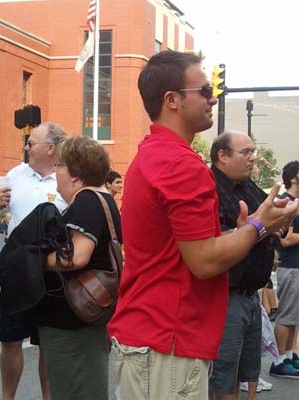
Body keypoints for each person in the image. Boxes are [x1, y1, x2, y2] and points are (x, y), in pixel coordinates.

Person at [107, 50, 298, 400]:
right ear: (172, 100)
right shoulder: (181, 164)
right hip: (168, 342)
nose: (214, 98)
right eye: (205, 91)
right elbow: (204, 261)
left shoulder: (153, 154)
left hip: (155, 340)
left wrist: (251, 226)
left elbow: (182, 249)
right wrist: (256, 227)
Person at [33, 136, 121, 400]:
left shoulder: (86, 201)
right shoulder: (102, 200)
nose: (55, 172)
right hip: (83, 320)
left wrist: (31, 261)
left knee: (76, 390)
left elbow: (78, 256)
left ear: (75, 174)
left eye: (59, 165)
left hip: (72, 325)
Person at [0, 122, 67, 400]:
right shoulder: (15, 175)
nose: (26, 147)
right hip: (16, 274)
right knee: (11, 341)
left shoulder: (67, 179)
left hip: (51, 275)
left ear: (50, 149)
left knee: (48, 343)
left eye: (32, 143)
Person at [209, 131, 276, 400]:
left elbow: (267, 218)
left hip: (251, 295)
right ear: (222, 156)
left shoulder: (249, 186)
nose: (252, 158)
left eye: (252, 152)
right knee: (222, 377)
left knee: (244, 374)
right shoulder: (209, 188)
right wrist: (249, 231)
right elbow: (207, 242)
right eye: (245, 152)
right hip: (226, 296)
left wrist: (279, 216)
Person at [270, 160, 299, 378]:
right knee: (286, 315)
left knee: (294, 316)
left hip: (295, 267)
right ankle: (279, 361)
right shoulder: (283, 203)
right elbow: (285, 239)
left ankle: (289, 356)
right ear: (294, 178)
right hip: (290, 267)